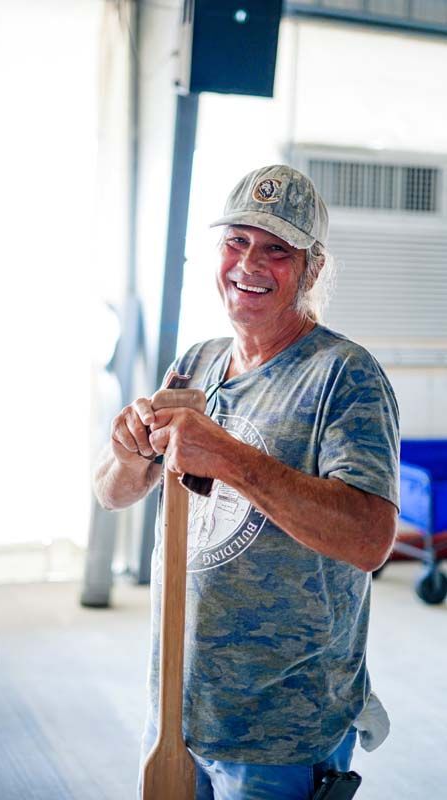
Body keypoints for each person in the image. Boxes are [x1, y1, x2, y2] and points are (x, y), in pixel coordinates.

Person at [93, 164, 400, 799]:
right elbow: (112, 492)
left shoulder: (344, 376)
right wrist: (127, 453)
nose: (248, 263)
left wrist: (230, 458)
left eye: (276, 250)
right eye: (236, 241)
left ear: (311, 269)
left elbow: (371, 539)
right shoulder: (196, 363)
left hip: (282, 727)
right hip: (179, 707)